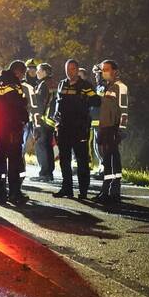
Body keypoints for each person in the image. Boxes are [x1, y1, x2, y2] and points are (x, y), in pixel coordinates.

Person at [53, 59, 99, 199]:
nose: (69, 71)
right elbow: (57, 102)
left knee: (82, 160)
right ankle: (66, 188)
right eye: (67, 69)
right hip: (64, 128)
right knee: (64, 160)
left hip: (79, 128)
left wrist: (84, 101)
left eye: (72, 69)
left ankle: (83, 191)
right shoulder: (62, 84)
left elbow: (96, 101)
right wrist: (56, 116)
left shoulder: (85, 85)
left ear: (77, 70)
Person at [0, 60, 30, 205]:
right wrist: (24, 113)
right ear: (17, 72)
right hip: (11, 127)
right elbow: (17, 104)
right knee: (14, 161)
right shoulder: (12, 83)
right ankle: (14, 193)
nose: (21, 77)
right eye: (22, 74)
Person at [94, 59, 129, 206]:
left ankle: (114, 193)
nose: (104, 72)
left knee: (113, 160)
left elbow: (124, 111)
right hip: (104, 128)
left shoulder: (121, 87)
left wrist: (122, 129)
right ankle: (105, 191)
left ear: (115, 71)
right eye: (103, 69)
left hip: (113, 128)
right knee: (107, 161)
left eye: (107, 69)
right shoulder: (106, 87)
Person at [32, 63, 58, 182]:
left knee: (41, 146)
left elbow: (40, 104)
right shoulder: (53, 83)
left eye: (38, 70)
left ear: (44, 72)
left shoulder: (43, 85)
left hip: (43, 119)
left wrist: (37, 120)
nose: (36, 73)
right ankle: (49, 173)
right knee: (47, 146)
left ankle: (44, 173)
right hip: (51, 120)